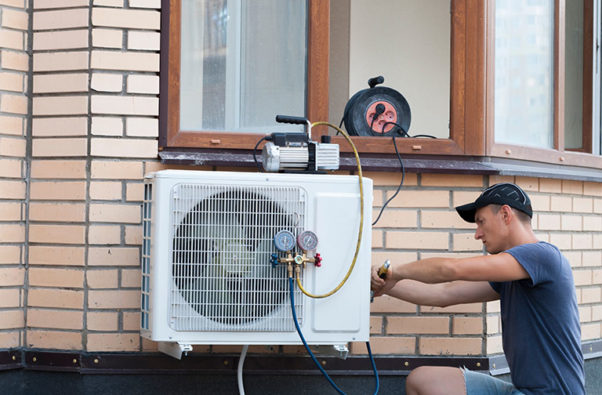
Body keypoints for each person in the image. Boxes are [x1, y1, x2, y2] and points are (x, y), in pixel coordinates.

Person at [371, 183, 585, 395]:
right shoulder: (511, 275)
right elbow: (444, 293)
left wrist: (395, 271)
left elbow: (450, 270)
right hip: (521, 390)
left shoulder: (542, 256)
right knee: (423, 380)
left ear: (505, 214)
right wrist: (389, 286)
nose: (477, 234)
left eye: (481, 222)